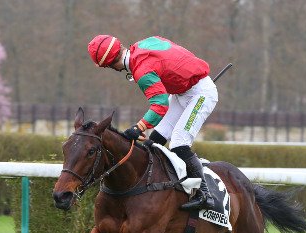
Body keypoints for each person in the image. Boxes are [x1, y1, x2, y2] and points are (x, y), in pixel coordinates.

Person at [87, 35, 218, 211]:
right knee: (154, 141)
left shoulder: (141, 71)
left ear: (110, 65)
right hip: (182, 91)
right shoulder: (143, 44)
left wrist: (139, 127)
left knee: (179, 144)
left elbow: (160, 104)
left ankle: (205, 194)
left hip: (201, 94)